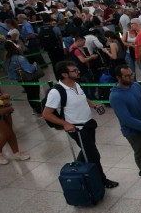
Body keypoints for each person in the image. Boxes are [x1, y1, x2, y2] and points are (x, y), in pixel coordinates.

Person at [43, 61, 119, 189]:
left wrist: (94, 105)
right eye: (74, 71)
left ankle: (77, 168)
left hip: (88, 124)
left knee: (88, 151)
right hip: (77, 128)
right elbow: (46, 113)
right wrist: (65, 124)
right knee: (94, 155)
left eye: (77, 70)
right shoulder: (56, 92)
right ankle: (102, 181)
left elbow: (83, 98)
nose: (78, 72)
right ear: (64, 74)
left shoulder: (76, 84)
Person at [0, 61, 30, 165]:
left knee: (10, 130)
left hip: (1, 103)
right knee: (6, 133)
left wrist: (4, 94)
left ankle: (16, 152)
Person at [4, 41, 42, 115]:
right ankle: (39, 110)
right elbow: (29, 70)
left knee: (29, 94)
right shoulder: (19, 58)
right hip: (30, 78)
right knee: (35, 94)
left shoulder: (8, 59)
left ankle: (34, 109)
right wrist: (34, 65)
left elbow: (10, 73)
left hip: (21, 79)